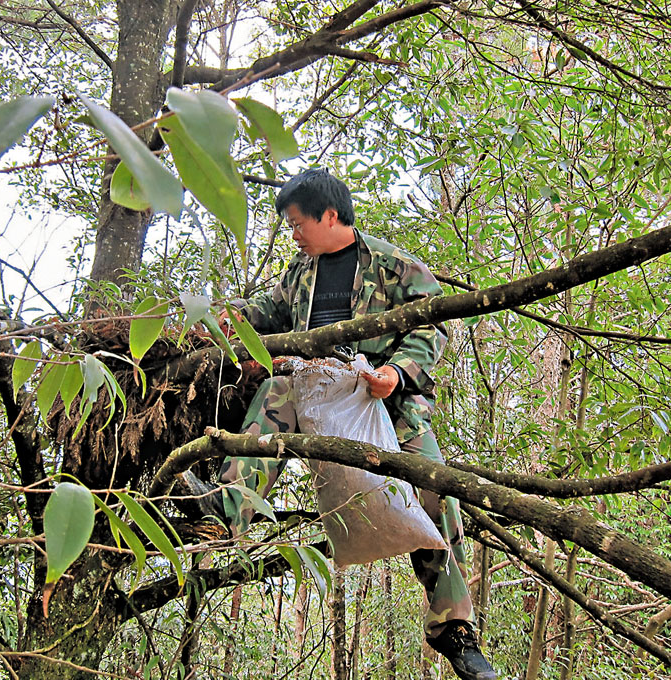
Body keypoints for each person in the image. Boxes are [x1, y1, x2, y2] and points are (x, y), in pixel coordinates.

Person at [181, 168, 496, 680]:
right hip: (313, 393)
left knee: (436, 490)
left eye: (298, 223)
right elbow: (267, 309)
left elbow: (432, 325)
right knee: (273, 392)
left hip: (383, 402)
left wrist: (397, 373)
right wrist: (225, 316)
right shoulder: (300, 273)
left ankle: (453, 629)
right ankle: (226, 512)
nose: (294, 234)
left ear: (329, 216)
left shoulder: (394, 267)